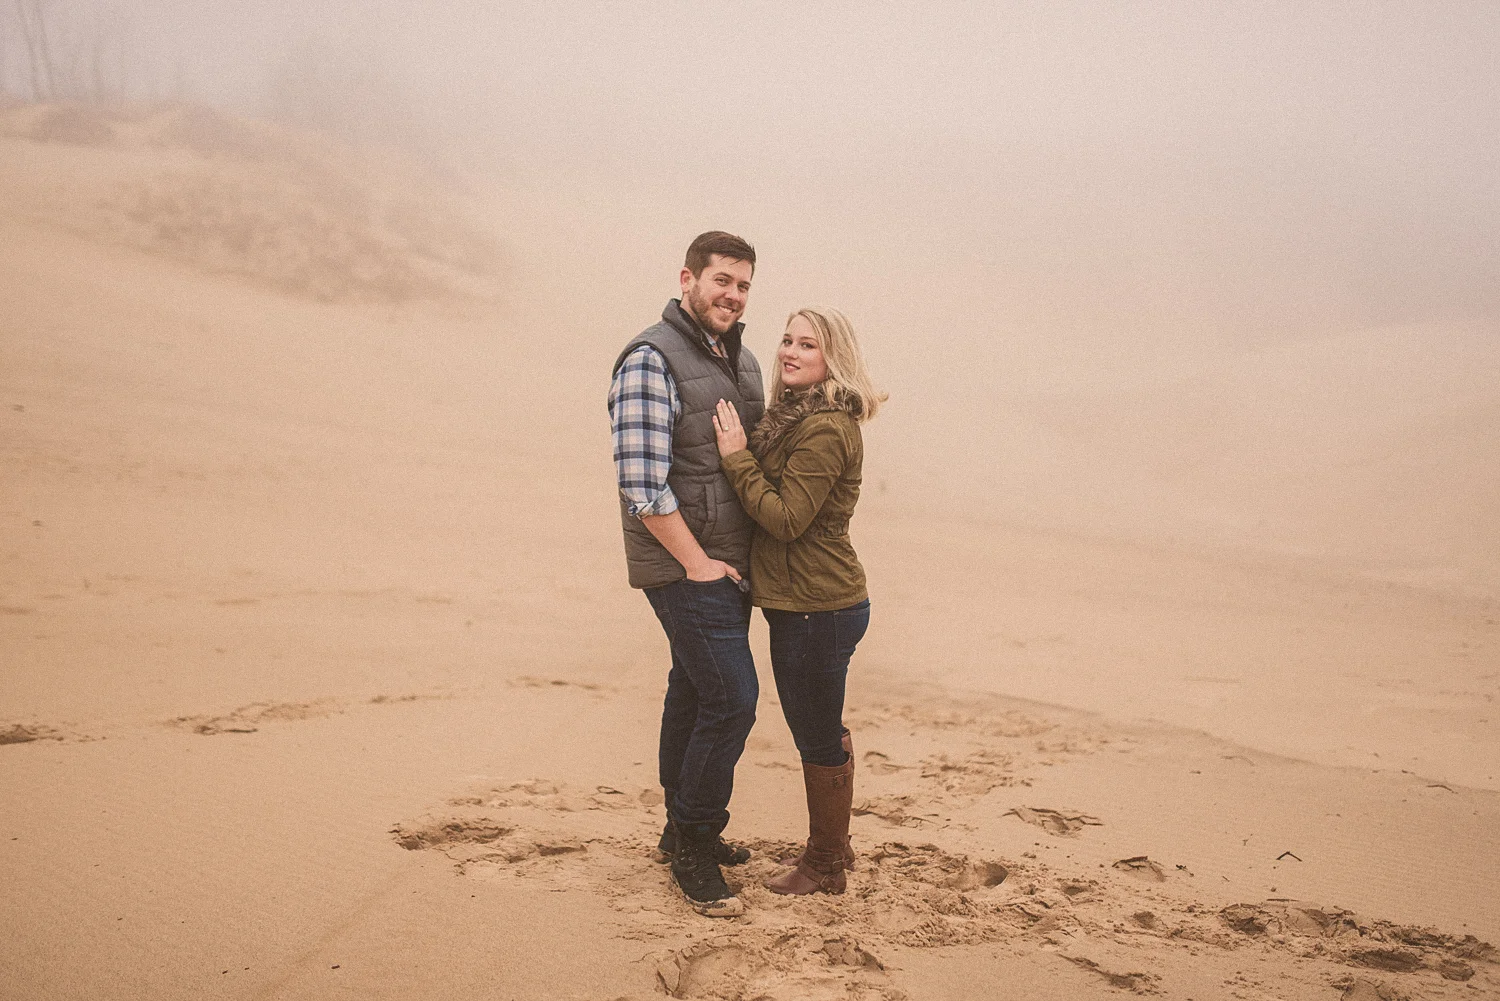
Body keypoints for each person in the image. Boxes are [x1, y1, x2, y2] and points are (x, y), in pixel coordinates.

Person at [606, 231, 765, 917]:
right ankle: (698, 843)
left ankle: (679, 829)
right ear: (687, 279)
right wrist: (697, 564)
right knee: (732, 697)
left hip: (727, 568)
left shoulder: (741, 358)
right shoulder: (650, 360)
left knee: (696, 690)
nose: (731, 294)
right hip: (687, 567)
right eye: (721, 279)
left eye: (743, 285)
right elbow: (642, 485)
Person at [711, 306, 885, 895]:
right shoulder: (795, 417)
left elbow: (786, 520)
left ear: (831, 357)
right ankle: (835, 849)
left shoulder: (826, 427)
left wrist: (736, 455)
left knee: (814, 732)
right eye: (786, 340)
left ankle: (827, 865)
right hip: (809, 602)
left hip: (820, 607)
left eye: (807, 345)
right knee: (822, 726)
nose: (789, 352)